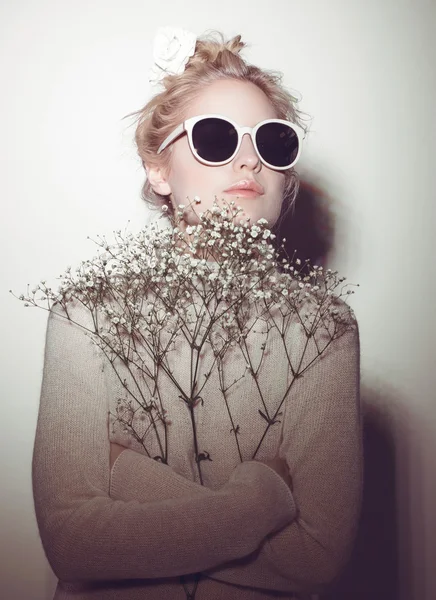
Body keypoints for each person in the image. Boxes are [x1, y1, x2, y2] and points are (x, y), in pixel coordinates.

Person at [32, 28, 362, 600]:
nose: (248, 160)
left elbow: (319, 556)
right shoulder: (86, 315)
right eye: (215, 137)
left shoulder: (321, 329)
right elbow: (72, 542)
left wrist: (127, 478)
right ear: (158, 170)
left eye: (273, 143)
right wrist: (261, 499)